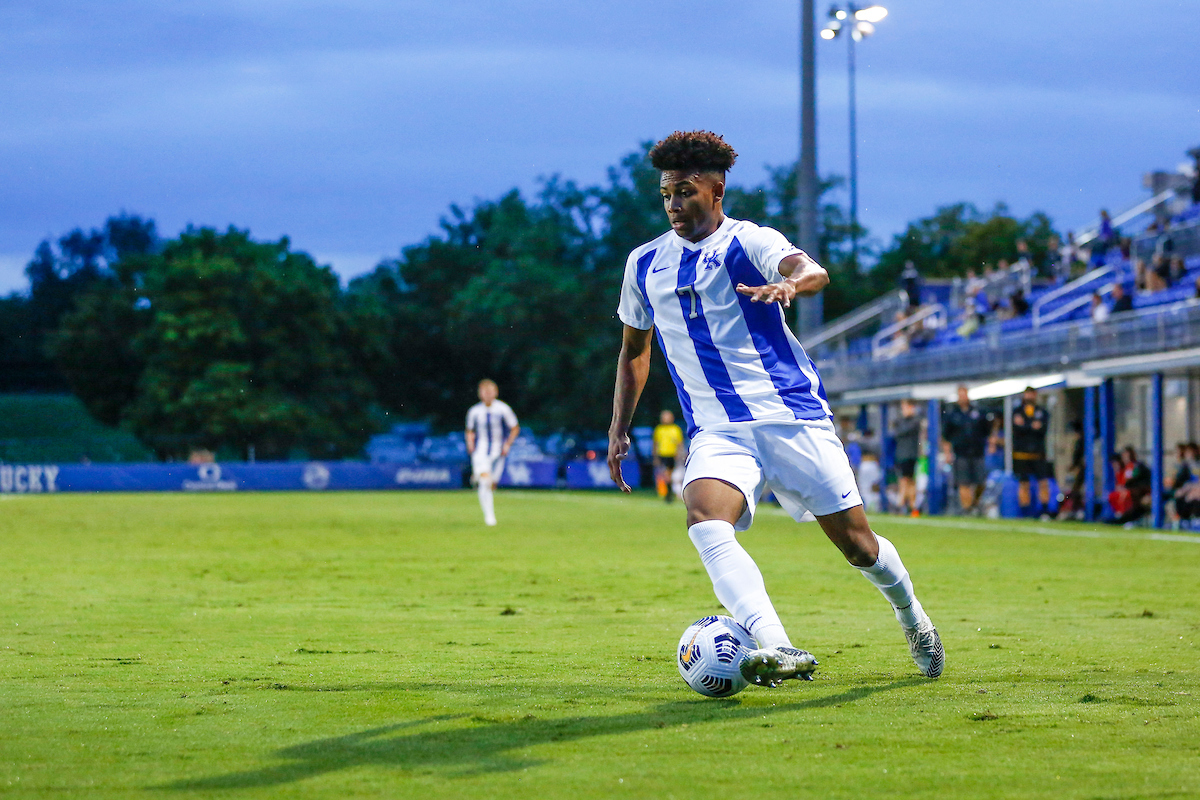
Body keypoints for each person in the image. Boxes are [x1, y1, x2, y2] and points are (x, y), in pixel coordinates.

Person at [607, 130, 943, 686]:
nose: (673, 205)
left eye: (685, 192)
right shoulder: (644, 264)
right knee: (704, 518)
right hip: (718, 430)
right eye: (666, 194)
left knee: (859, 547)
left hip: (791, 417)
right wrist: (619, 427)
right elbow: (633, 352)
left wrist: (791, 286)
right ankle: (778, 645)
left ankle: (914, 619)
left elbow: (811, 271)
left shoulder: (750, 241)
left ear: (716, 191)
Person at [464, 379, 519, 526]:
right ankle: (490, 517)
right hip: (480, 452)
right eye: (485, 392)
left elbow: (515, 428)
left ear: (495, 392)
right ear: (480, 394)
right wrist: (470, 444)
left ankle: (478, 477)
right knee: (485, 482)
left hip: (498, 452)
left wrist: (507, 444)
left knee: (491, 484)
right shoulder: (474, 411)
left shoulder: (503, 409)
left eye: (490, 391)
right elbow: (470, 430)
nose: (488, 394)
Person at [943, 385, 991, 515]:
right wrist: (947, 453)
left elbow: (987, 430)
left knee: (981, 482)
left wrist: (990, 444)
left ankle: (974, 504)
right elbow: (946, 436)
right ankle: (967, 510)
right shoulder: (952, 414)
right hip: (960, 453)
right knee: (963, 483)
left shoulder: (978, 411)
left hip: (977, 452)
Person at [1011, 386, 1051, 512]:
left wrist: (1025, 425)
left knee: (1042, 482)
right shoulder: (1017, 411)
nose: (1029, 397)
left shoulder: (1042, 411)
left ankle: (1044, 509)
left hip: (1038, 452)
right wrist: (1031, 426)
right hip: (1021, 453)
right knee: (1023, 482)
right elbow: (1017, 429)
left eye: (1031, 394)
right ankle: (1025, 509)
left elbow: (1042, 429)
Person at [893, 399, 921, 516]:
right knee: (904, 479)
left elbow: (903, 430)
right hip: (902, 455)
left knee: (909, 480)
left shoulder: (915, 421)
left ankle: (907, 505)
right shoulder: (900, 421)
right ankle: (905, 505)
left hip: (911, 454)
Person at [652, 409, 685, 503]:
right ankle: (668, 493)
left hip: (672, 454)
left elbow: (679, 443)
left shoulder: (675, 429)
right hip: (663, 454)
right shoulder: (659, 429)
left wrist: (681, 454)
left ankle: (669, 492)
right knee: (666, 474)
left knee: (670, 475)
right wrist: (655, 456)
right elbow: (656, 443)